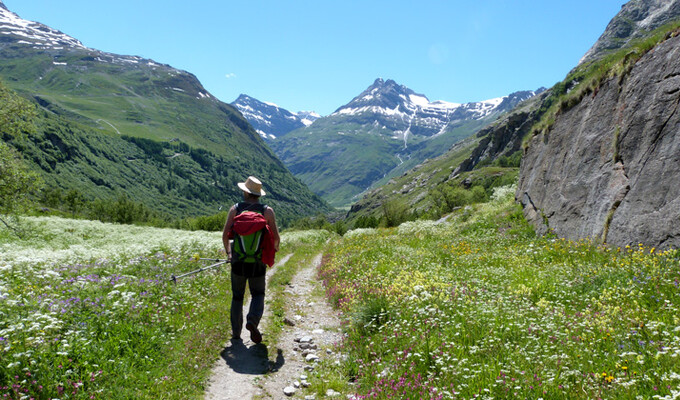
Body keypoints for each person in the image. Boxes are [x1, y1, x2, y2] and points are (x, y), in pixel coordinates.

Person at [222, 176, 280, 343]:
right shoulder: (267, 211)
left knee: (237, 297)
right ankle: (252, 321)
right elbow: (276, 238)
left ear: (245, 192)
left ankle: (235, 333)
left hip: (238, 261)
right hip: (258, 262)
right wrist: (271, 252)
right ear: (259, 194)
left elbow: (225, 236)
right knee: (258, 294)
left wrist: (229, 254)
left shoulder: (235, 209)